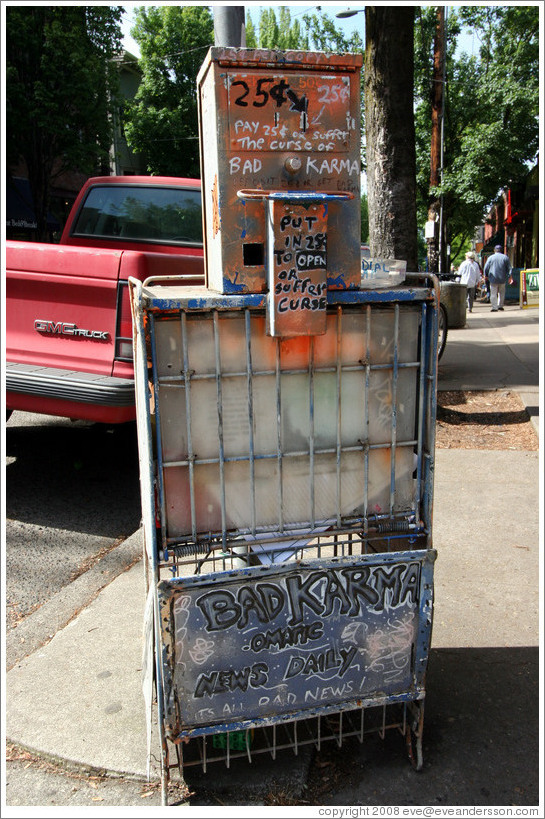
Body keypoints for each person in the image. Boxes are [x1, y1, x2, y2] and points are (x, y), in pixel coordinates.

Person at [484, 245, 513, 312]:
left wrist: (485, 275)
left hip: (493, 278)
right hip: (502, 278)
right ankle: (500, 306)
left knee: (493, 293)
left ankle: (494, 307)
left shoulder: (490, 258)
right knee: (501, 292)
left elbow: (486, 267)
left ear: (494, 250)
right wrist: (510, 277)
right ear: (501, 250)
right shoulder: (505, 257)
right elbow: (509, 268)